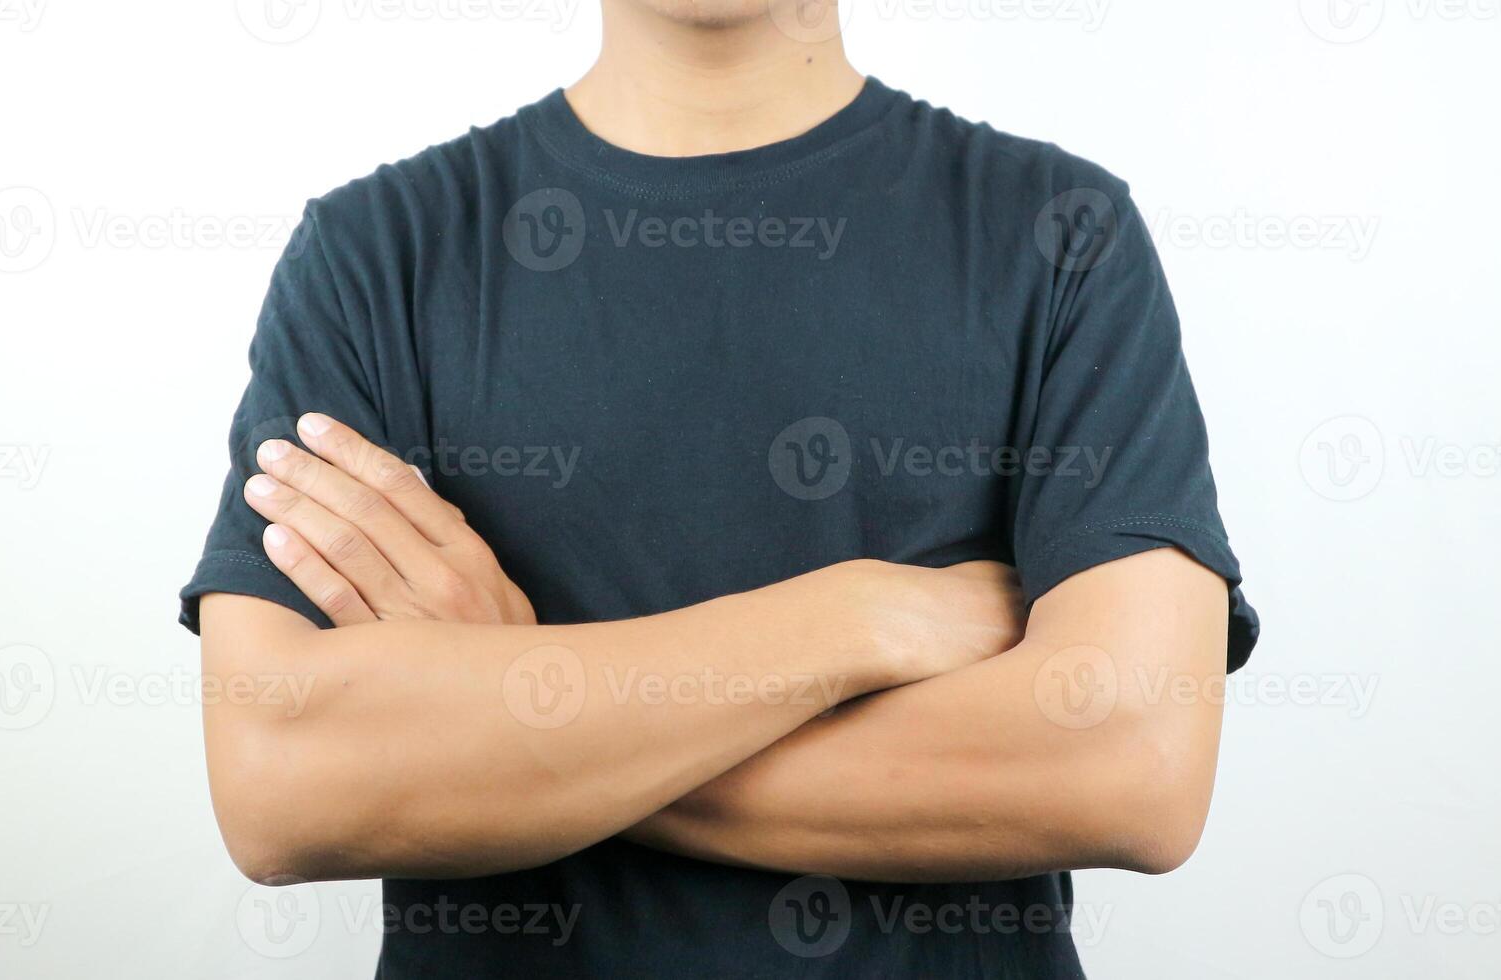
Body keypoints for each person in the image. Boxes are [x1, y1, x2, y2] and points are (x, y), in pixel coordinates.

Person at [180, 0, 1259, 974]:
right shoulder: (377, 253)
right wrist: (850, 618)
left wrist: (520, 697)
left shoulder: (1062, 232)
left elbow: (1131, 762)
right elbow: (281, 781)